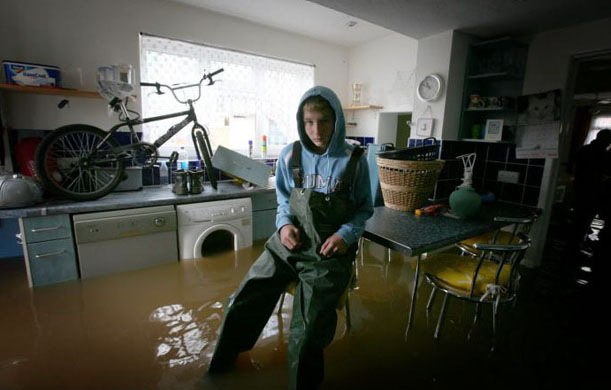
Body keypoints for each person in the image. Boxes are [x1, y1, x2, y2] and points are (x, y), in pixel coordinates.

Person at [208, 86, 373, 389]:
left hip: (329, 252)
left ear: (336, 119)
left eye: (324, 120)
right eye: (309, 122)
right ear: (301, 121)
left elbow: (364, 210)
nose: (317, 130)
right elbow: (284, 201)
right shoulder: (289, 155)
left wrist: (345, 235)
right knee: (240, 302)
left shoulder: (355, 160)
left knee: (307, 331)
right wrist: (283, 226)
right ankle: (217, 373)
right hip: (287, 245)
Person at [572, 129, 611, 248]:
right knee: (585, 218)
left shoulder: (585, 149)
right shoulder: (602, 154)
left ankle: (575, 240)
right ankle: (576, 242)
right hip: (592, 190)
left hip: (581, 188)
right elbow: (605, 172)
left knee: (579, 217)